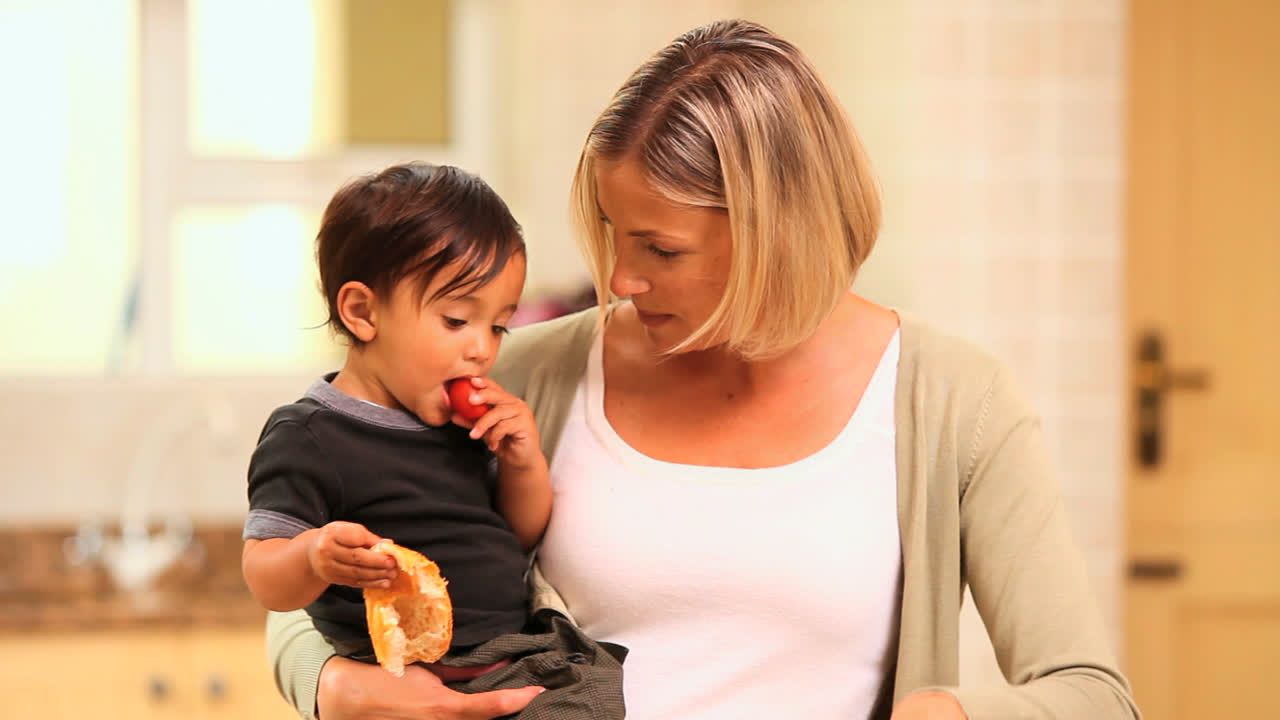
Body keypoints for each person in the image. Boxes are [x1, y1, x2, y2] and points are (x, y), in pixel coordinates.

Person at [264, 20, 1141, 720]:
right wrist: (332, 688)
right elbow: (306, 588)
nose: (620, 279)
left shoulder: (953, 402)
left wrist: (948, 712)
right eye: (612, 233)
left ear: (776, 232)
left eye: (660, 249)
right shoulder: (517, 381)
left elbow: (1093, 695)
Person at [241, 162, 625, 719]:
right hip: (399, 674)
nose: (482, 350)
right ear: (362, 312)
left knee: (594, 694)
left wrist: (522, 462)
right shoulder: (307, 434)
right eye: (455, 321)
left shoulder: (461, 423)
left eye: (497, 326)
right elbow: (265, 578)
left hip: (505, 654)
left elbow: (516, 535)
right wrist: (314, 556)